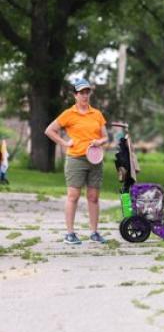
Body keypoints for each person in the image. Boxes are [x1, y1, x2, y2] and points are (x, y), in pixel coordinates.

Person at [44, 78, 109, 245]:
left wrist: (99, 142)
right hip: (76, 159)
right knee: (73, 196)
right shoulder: (68, 114)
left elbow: (105, 137)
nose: (85, 95)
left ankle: (94, 233)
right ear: (75, 95)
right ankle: (70, 234)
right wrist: (65, 143)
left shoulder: (97, 114)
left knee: (93, 197)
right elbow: (49, 130)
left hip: (95, 159)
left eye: (87, 92)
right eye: (81, 92)